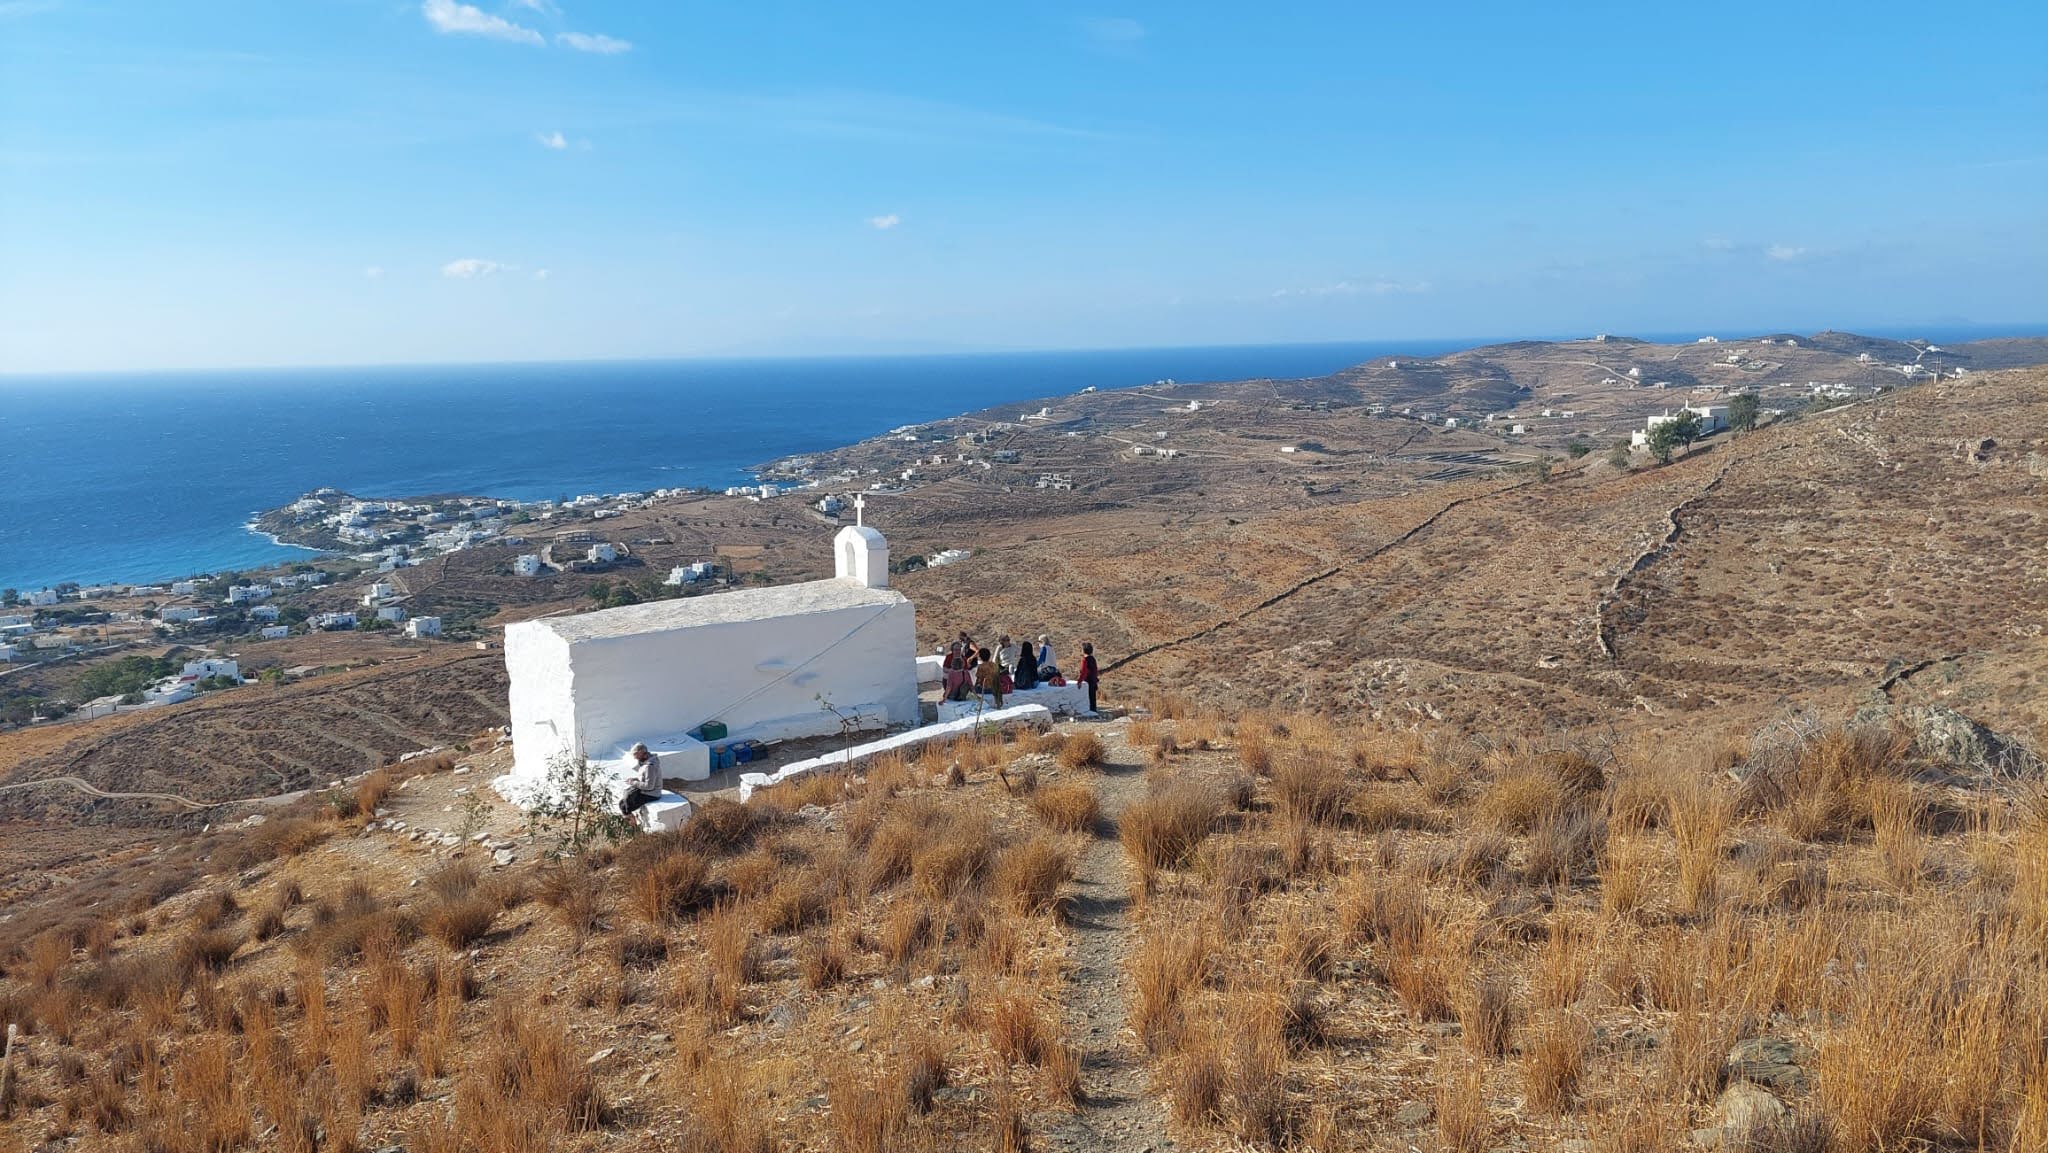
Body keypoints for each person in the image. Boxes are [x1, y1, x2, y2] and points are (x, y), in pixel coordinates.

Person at [618, 743, 663, 816]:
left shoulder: (649, 766)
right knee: (623, 801)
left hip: (652, 794)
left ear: (641, 753)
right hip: (648, 791)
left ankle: (630, 820)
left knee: (624, 806)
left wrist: (633, 783)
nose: (634, 757)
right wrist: (635, 779)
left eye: (635, 754)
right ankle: (629, 818)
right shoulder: (646, 762)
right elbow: (645, 777)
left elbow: (649, 786)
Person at [1077, 642, 1100, 714]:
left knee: (1088, 697)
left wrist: (1079, 681)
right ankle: (1093, 710)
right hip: (1093, 680)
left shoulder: (1085, 660)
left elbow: (1083, 671)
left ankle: (1090, 711)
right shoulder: (1093, 659)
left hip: (1087, 681)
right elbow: (1095, 670)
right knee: (1093, 697)